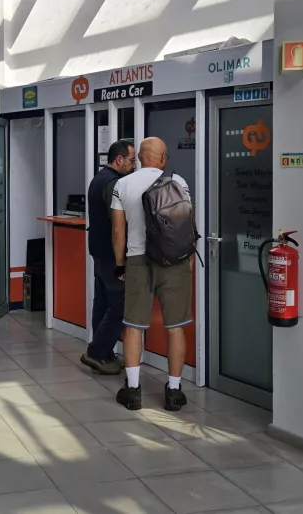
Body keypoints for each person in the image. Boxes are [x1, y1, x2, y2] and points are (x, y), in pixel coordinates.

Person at [111, 137, 193, 412]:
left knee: (133, 325)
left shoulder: (122, 184)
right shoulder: (179, 182)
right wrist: (188, 259)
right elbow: (188, 224)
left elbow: (117, 231)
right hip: (174, 262)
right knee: (176, 326)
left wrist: (120, 264)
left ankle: (133, 390)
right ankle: (173, 391)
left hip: (137, 260)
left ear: (140, 158)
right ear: (163, 158)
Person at [81, 140, 135, 375]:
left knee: (102, 302)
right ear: (119, 160)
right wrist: (121, 260)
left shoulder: (98, 179)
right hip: (112, 254)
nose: (134, 166)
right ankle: (97, 352)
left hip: (98, 250)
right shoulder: (113, 184)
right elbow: (118, 225)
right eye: (132, 160)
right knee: (120, 305)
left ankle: (105, 354)